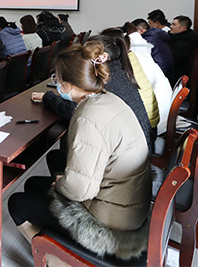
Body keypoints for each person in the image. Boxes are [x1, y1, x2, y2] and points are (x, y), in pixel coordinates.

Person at [9, 40, 151, 260]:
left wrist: (62, 185)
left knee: (16, 202)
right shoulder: (108, 98)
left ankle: (53, 259)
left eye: (57, 79)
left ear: (70, 84)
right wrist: (64, 183)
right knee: (36, 181)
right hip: (129, 202)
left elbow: (82, 190)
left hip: (111, 220)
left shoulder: (88, 118)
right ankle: (57, 243)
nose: (56, 84)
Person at [35, 34, 153, 153]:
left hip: (128, 152)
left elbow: (75, 110)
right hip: (140, 146)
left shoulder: (102, 81)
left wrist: (48, 98)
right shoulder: (119, 70)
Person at [168, 15, 198, 81]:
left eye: (174, 25)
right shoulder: (186, 37)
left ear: (183, 28)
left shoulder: (183, 44)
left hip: (177, 76)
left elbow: (169, 60)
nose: (170, 26)